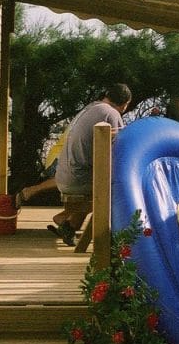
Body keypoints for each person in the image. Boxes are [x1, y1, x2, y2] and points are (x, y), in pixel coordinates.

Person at [51, 83, 132, 245]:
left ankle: (69, 225)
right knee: (117, 192)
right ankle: (108, 243)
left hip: (65, 174)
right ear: (125, 103)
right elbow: (120, 150)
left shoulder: (93, 107)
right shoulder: (111, 114)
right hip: (78, 180)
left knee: (102, 184)